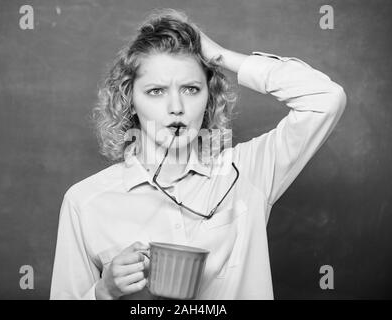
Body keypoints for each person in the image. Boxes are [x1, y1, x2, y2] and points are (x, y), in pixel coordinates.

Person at [50, 8, 346, 300]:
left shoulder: (246, 174)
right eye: (156, 91)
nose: (176, 107)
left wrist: (219, 55)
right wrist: (103, 292)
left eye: (191, 89)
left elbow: (326, 100)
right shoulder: (84, 202)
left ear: (210, 97)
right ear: (129, 100)